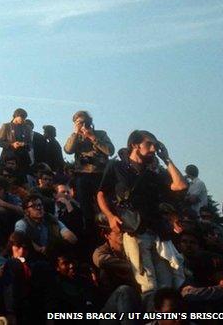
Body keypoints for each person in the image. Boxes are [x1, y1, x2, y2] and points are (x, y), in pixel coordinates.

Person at [97, 130, 188, 294]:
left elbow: (180, 185)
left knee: (167, 285)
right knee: (148, 285)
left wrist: (166, 158)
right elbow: (101, 193)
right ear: (134, 145)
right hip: (134, 231)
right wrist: (110, 217)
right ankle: (150, 319)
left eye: (155, 145)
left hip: (158, 232)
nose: (153, 148)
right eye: (149, 144)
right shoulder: (116, 167)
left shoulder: (153, 173)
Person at [64, 110, 114, 234]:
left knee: (104, 204)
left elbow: (110, 151)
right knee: (85, 205)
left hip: (99, 173)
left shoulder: (100, 134)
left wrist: (92, 137)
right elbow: (68, 150)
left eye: (83, 122)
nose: (81, 125)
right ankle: (89, 228)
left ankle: (108, 226)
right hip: (82, 174)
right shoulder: (75, 136)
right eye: (77, 122)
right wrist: (76, 133)